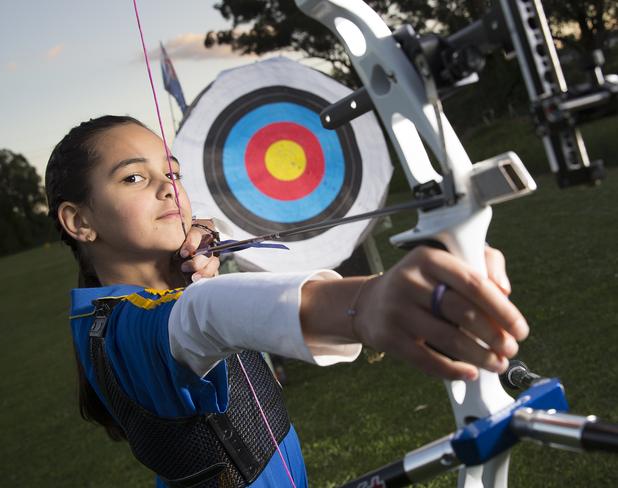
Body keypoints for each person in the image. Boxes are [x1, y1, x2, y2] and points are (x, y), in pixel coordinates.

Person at [46, 115, 529, 487]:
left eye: (172, 172)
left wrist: (192, 253)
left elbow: (188, 300)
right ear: (79, 222)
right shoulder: (126, 331)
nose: (167, 186)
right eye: (133, 178)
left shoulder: (135, 296)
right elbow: (208, 315)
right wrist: (368, 301)